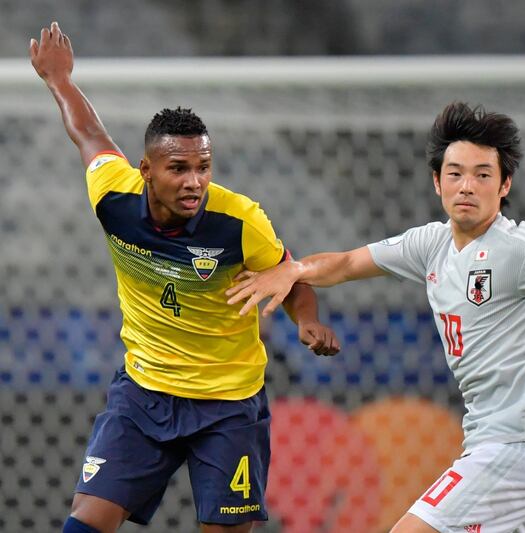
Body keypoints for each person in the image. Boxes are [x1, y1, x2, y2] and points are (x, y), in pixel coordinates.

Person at [227, 101, 525, 532]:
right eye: (455, 174)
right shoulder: (430, 244)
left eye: (482, 174)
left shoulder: (523, 249)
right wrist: (294, 269)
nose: (467, 185)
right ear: (437, 182)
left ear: (504, 184)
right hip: (490, 442)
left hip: (519, 442)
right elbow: (344, 264)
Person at [30, 22, 340, 533]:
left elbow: (291, 275)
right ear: (147, 169)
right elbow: (88, 133)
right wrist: (59, 81)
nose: (194, 180)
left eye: (204, 166)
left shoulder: (240, 222)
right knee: (85, 523)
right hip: (144, 391)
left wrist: (305, 321)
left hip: (228, 405)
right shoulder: (114, 196)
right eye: (179, 168)